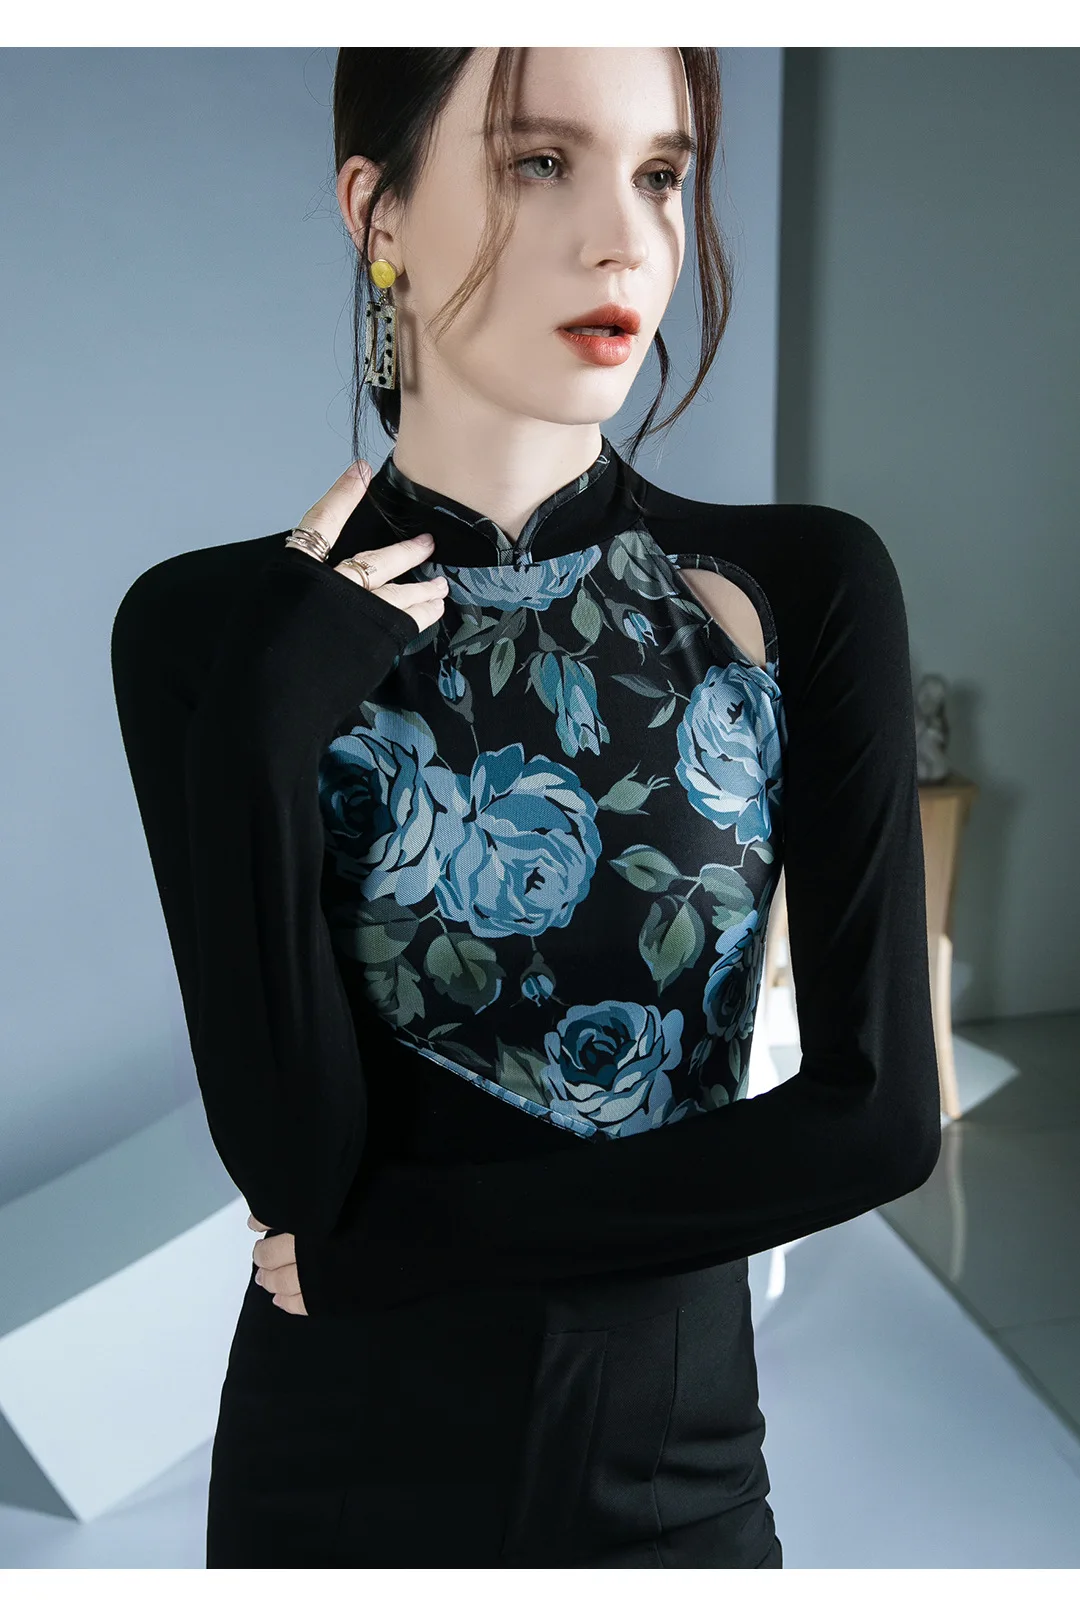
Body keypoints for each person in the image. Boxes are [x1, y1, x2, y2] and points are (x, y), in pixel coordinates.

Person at [110, 46, 941, 1570]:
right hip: (330, 1482)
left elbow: (876, 1123)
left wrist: (415, 1239)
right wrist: (266, 728)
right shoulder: (206, 629)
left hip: (676, 1481)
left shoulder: (801, 587)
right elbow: (293, 1165)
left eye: (661, 174)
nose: (625, 239)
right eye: (539, 162)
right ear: (378, 211)